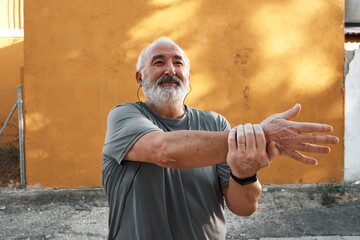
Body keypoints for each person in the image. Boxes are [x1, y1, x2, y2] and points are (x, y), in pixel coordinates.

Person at [102, 37, 339, 240]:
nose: (170, 70)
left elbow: (244, 207)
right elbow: (165, 151)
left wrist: (245, 171)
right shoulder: (123, 116)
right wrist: (260, 134)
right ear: (139, 78)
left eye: (178, 63)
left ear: (187, 76)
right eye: (159, 62)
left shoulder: (215, 124)